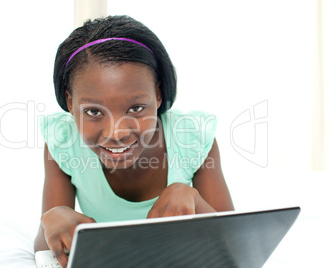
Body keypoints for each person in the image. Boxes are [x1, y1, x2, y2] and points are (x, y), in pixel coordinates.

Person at [34, 15, 234, 267]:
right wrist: (49, 220)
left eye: (136, 108)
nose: (116, 133)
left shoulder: (193, 138)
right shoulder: (63, 143)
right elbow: (45, 251)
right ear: (71, 103)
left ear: (158, 95)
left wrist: (194, 200)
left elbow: (233, 245)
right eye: (94, 112)